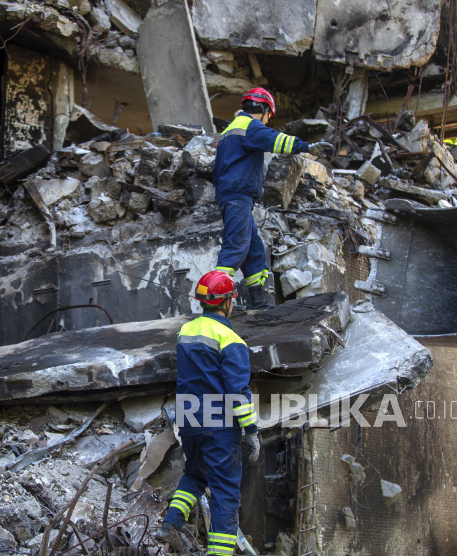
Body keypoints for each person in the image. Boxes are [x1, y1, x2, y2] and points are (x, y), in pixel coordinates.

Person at [154, 271, 262, 553]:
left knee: (195, 475)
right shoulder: (230, 339)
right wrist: (251, 430)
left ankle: (170, 523)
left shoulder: (186, 332)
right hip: (218, 423)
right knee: (225, 491)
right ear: (227, 302)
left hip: (189, 419)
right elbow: (239, 391)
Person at [213, 87, 331, 310]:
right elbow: (275, 141)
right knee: (236, 246)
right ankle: (217, 301)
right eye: (269, 116)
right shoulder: (249, 125)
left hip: (235, 195)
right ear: (264, 109)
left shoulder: (231, 129)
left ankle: (257, 299)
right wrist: (306, 146)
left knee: (253, 248)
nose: (267, 121)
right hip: (238, 195)